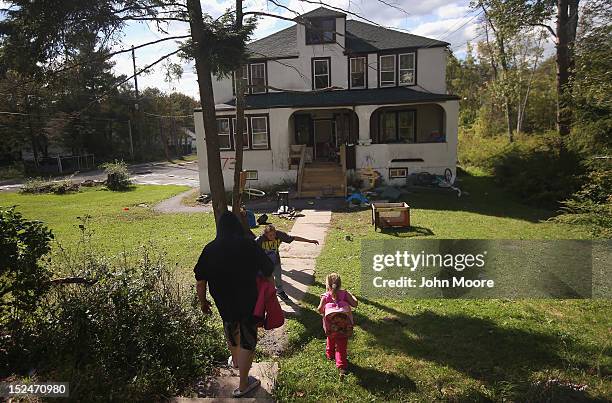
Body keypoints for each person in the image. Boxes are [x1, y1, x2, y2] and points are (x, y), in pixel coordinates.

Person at [194, 211, 274, 398]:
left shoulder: (210, 249)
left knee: (230, 326)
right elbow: (268, 271)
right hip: (249, 302)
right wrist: (270, 296)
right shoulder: (249, 245)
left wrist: (202, 301)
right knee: (248, 339)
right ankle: (244, 384)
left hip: (224, 302)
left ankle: (236, 361)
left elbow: (200, 281)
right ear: (237, 226)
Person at [255, 224, 319, 301]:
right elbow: (250, 248)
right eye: (270, 235)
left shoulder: (280, 235)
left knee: (278, 277)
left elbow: (294, 238)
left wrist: (310, 241)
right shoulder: (260, 239)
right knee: (266, 279)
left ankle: (280, 291)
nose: (273, 237)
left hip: (275, 261)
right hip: (264, 263)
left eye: (274, 234)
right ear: (265, 235)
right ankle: (266, 294)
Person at [317, 273, 358, 376]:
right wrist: (352, 295)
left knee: (330, 337)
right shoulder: (345, 294)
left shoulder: (325, 296)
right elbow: (355, 304)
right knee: (341, 345)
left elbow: (320, 310)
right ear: (340, 284)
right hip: (344, 327)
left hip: (331, 327)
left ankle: (330, 354)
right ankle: (342, 365)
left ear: (327, 285)